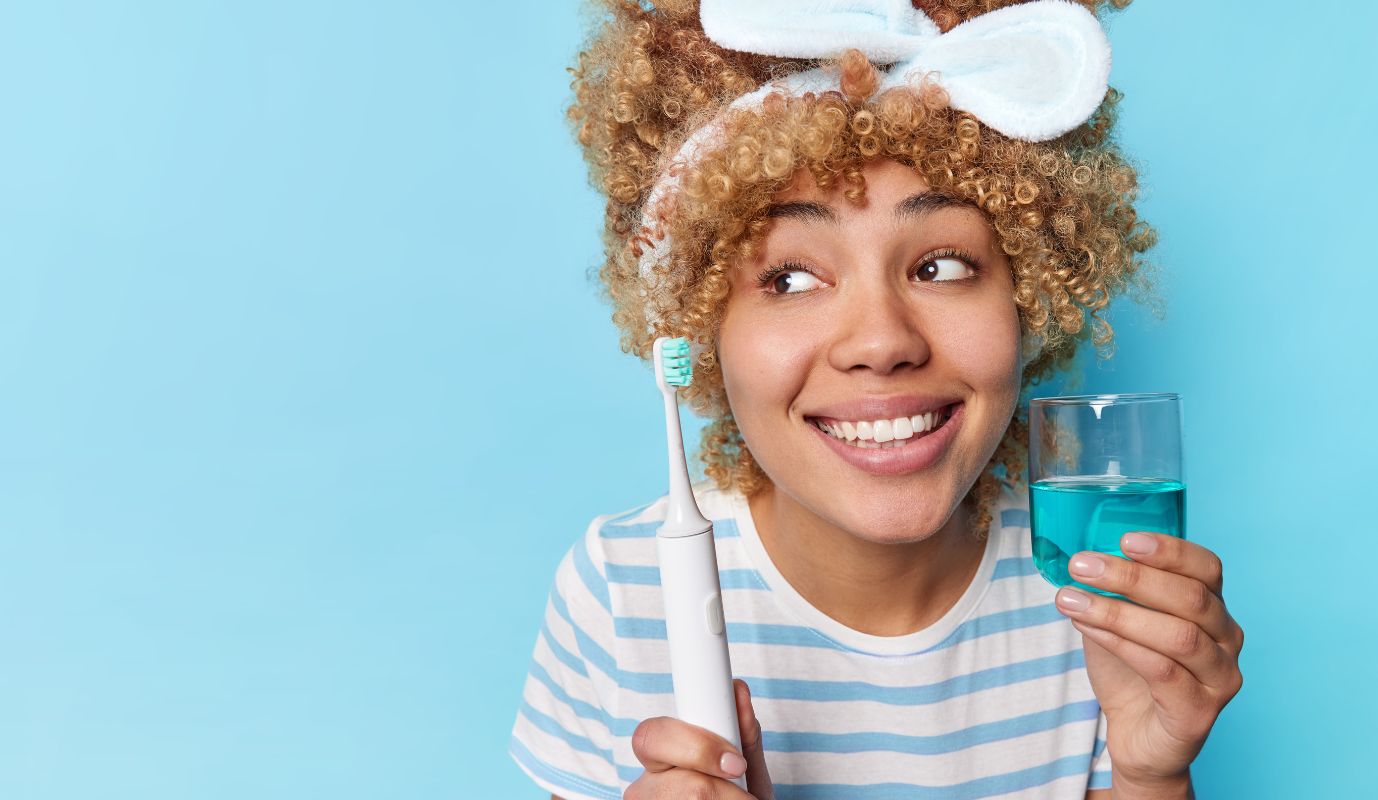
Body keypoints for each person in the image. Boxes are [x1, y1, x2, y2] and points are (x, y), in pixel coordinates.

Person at [511, 1, 1243, 797]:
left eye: (943, 267)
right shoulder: (620, 593)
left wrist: (1150, 774)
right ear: (703, 323)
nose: (881, 340)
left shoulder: (1090, 586)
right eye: (789, 278)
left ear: (1030, 295)